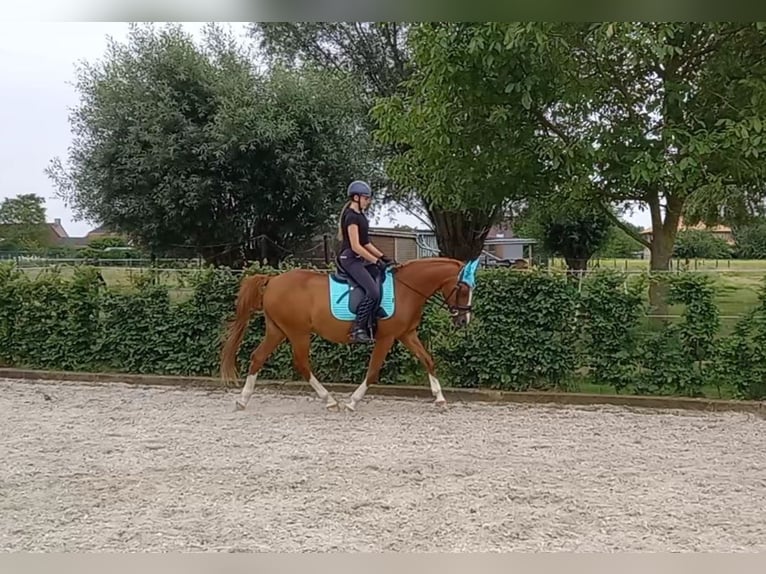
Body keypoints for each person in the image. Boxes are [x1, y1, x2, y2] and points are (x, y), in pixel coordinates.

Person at [337, 180, 396, 343]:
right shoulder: (351, 217)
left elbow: (366, 243)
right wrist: (375, 261)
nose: (368, 201)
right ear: (356, 198)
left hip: (358, 257)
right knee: (373, 291)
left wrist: (384, 257)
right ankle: (358, 329)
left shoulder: (360, 216)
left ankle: (373, 320)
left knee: (379, 275)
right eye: (366, 198)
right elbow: (356, 246)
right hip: (349, 259)